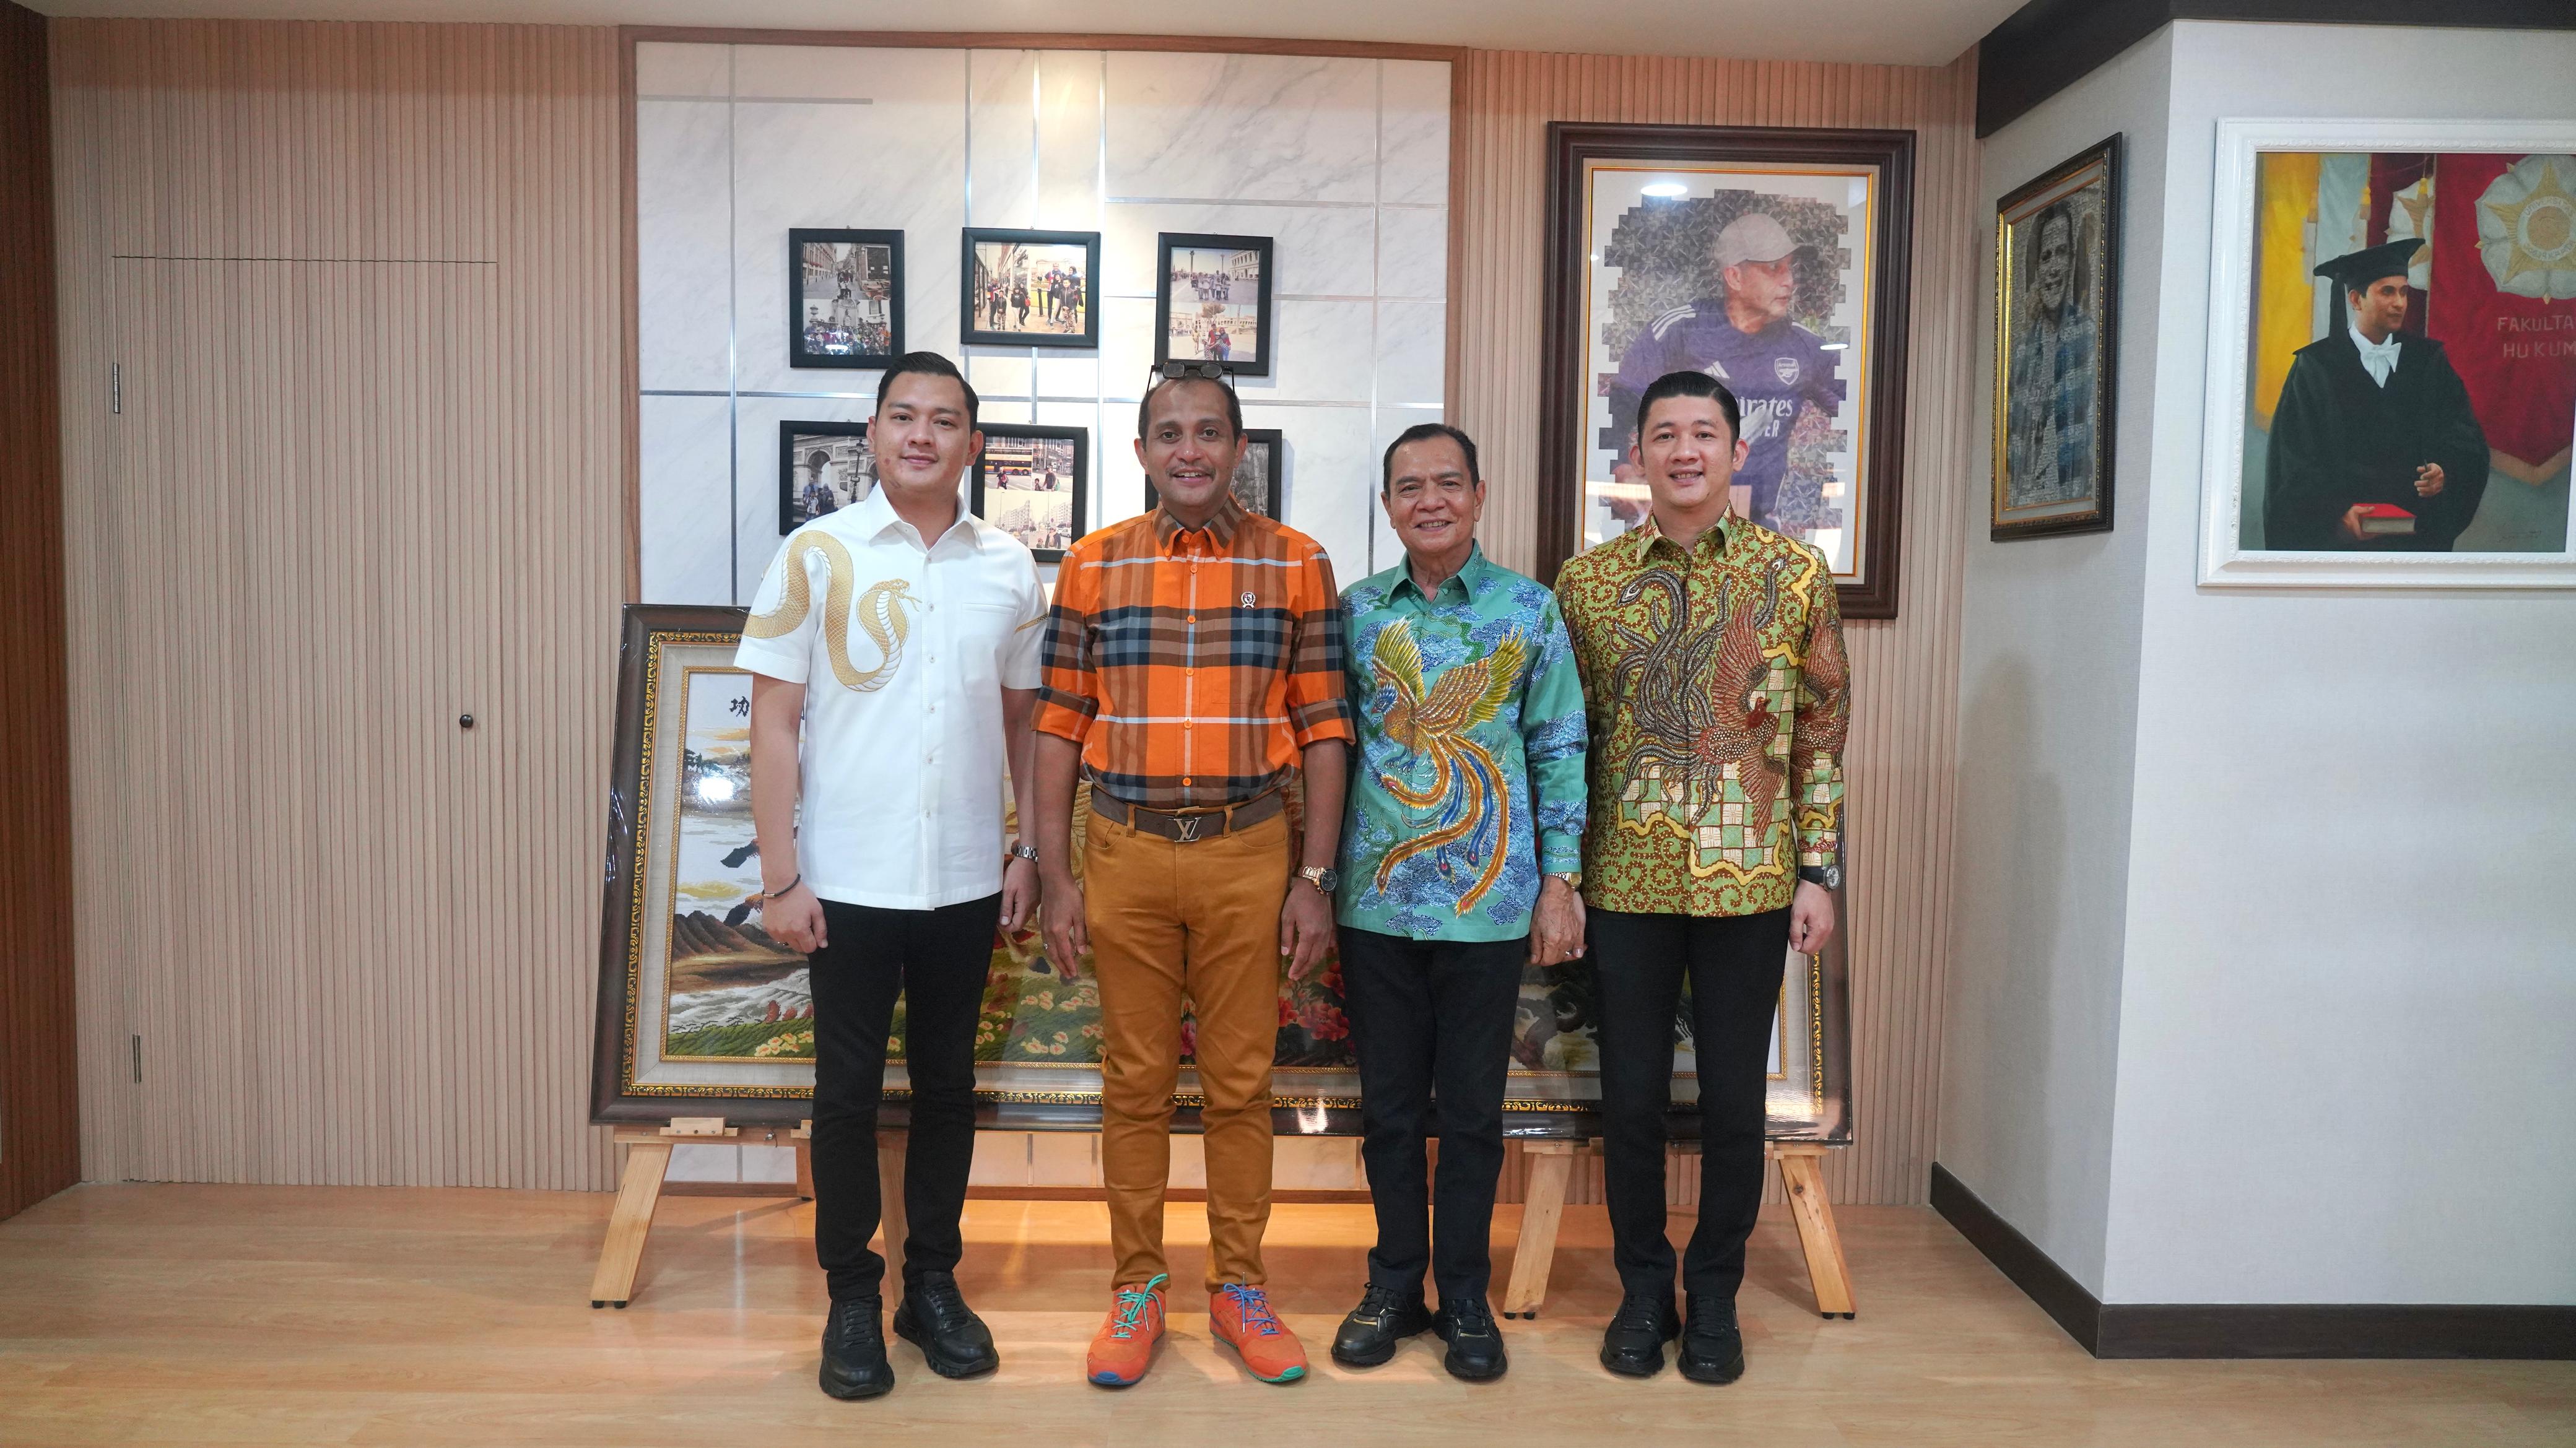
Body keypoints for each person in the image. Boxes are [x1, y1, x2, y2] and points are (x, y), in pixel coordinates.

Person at [1031, 360, 1353, 1389]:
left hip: (1249, 849)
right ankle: (1137, 1287)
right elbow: (1059, 722)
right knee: (1132, 1080)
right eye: (1169, 432)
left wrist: (1314, 876)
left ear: (1238, 447)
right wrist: (1054, 870)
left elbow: (1325, 729)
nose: (1190, 450)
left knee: (1241, 1083)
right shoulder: (1094, 563)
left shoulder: (1297, 561)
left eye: (1209, 431)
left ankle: (1239, 1288)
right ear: (1141, 451)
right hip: (1123, 849)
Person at [738, 351, 1048, 1402]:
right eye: (903, 415)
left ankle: (933, 1285)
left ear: (974, 444)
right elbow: (773, 721)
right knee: (846, 1095)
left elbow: (1024, 725)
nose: (923, 434)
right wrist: (781, 876)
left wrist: (1027, 849)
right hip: (846, 880)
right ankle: (849, 1297)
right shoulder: (815, 552)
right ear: (872, 434)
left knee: (951, 1088)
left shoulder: (1008, 566)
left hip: (964, 877)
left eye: (945, 419)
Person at [1555, 369, 1850, 1386]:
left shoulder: (1793, 573)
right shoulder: (1586, 582)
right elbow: (1565, 739)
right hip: (1624, 880)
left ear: (1736, 450)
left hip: (1751, 878)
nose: (1685, 450)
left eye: (1704, 433)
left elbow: (1820, 732)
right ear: (1636, 455)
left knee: (1732, 1103)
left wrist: (1819, 867)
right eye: (1665, 434)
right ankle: (1644, 1288)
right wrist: (1564, 875)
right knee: (1631, 1099)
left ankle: (1714, 1291)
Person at [1326, 423, 1588, 1383]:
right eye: (1409, 486)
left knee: (1473, 1113)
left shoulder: (1529, 608)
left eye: (1447, 483)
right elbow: (1328, 750)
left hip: (1489, 905)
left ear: (1479, 495)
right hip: (1376, 903)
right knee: (1391, 1111)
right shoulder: (1355, 613)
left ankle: (1466, 1293)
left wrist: (1560, 881)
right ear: (1388, 505)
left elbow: (1560, 745)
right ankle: (1394, 1283)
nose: (1429, 500)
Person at [1609, 211, 1847, 533]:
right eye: (1774, 268)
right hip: (1671, 529)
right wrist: (1620, 470)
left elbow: (1865, 419)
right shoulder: (1679, 332)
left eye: (1790, 268)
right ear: (1734, 277)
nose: (1789, 281)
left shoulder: (1804, 347)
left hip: (1756, 534)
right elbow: (1614, 412)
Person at [2264, 237, 2489, 550]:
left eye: (2404, 292)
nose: (2400, 303)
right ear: (2356, 300)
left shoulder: (2428, 361)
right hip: (2345, 537)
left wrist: (2444, 470)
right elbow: (2294, 459)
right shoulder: (2316, 367)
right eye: (2387, 292)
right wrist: (2336, 512)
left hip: (2417, 533)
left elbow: (2463, 437)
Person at [2003, 200, 2098, 508]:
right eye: (2046, 257)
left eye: (2061, 253)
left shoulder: (2087, 336)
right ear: (2036, 270)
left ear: (2072, 261)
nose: (2054, 267)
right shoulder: (2021, 353)